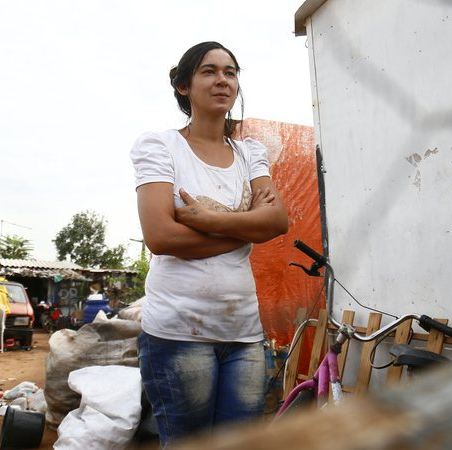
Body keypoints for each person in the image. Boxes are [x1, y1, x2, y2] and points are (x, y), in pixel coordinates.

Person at [129, 41, 289, 446]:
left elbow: (277, 221)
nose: (222, 80)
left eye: (230, 72)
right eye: (208, 71)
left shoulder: (251, 152)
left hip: (244, 334)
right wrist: (244, 228)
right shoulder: (161, 147)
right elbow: (162, 237)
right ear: (183, 86)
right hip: (178, 332)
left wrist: (207, 221)